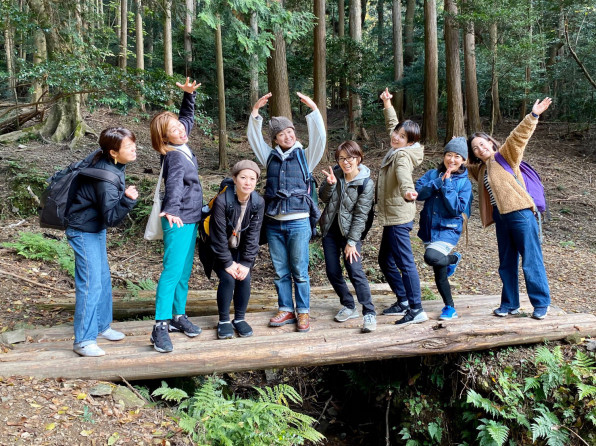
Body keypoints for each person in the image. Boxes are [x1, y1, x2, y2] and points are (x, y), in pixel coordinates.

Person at [247, 92, 326, 333]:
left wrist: (313, 109)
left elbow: (320, 138)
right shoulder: (269, 157)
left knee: (300, 271)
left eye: (290, 132)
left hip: (299, 222)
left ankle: (303, 312)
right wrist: (255, 113)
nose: (287, 136)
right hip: (273, 222)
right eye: (282, 134)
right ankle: (286, 308)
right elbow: (254, 139)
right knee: (280, 271)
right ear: (275, 139)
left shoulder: (305, 156)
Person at [467, 98, 552, 320]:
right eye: (476, 148)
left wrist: (532, 116)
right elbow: (463, 164)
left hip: (521, 214)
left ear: (491, 143)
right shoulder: (481, 169)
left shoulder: (505, 155)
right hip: (502, 219)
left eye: (483, 144)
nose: (480, 148)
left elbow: (518, 137)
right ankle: (510, 303)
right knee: (506, 263)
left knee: (531, 260)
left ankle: (541, 303)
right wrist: (455, 154)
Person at [66, 128, 138, 357]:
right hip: (82, 230)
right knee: (90, 283)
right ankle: (84, 341)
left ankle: (101, 326)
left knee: (103, 278)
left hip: (94, 228)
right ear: (113, 152)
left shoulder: (112, 163)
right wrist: (127, 200)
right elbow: (112, 217)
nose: (134, 149)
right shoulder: (105, 176)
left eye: (133, 144)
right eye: (129, 147)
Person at [149, 78, 203, 353]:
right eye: (173, 130)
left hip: (191, 217)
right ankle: (160, 325)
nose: (181, 130)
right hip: (177, 218)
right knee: (171, 272)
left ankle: (177, 316)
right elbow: (173, 185)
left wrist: (188, 96)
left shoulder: (182, 142)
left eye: (179, 127)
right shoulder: (173, 156)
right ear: (164, 139)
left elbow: (186, 119)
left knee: (183, 272)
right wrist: (171, 210)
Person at [377, 88, 427, 325]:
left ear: (410, 142)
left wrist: (408, 190)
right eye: (397, 133)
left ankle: (416, 309)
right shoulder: (400, 146)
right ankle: (404, 300)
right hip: (394, 215)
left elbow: (403, 174)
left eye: (401, 136)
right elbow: (393, 125)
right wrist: (387, 104)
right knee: (385, 260)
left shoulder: (402, 156)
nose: (395, 137)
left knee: (404, 262)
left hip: (398, 214)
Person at [319, 141, 377, 333]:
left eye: (350, 157)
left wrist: (352, 242)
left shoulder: (366, 183)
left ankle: (369, 312)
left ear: (358, 158)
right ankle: (349, 305)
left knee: (355, 270)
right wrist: (329, 186)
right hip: (330, 231)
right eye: (341, 158)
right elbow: (324, 198)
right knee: (332, 271)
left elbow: (361, 215)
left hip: (351, 233)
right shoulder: (335, 174)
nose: (346, 162)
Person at [415, 137, 472, 320]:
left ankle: (453, 258)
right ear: (443, 156)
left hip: (448, 230)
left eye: (457, 156)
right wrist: (438, 182)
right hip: (428, 229)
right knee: (439, 271)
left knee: (431, 257)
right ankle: (450, 307)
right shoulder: (432, 174)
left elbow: (456, 208)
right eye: (449, 155)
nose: (452, 160)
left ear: (463, 160)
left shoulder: (465, 183)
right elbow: (418, 194)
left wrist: (447, 185)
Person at [210, 160, 265, 339]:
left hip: (241, 249)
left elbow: (253, 235)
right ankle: (224, 320)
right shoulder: (222, 201)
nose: (247, 182)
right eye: (243, 177)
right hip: (220, 249)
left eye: (252, 178)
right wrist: (227, 262)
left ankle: (239, 319)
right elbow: (217, 236)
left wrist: (246, 262)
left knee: (244, 276)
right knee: (228, 277)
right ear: (235, 179)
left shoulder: (257, 202)